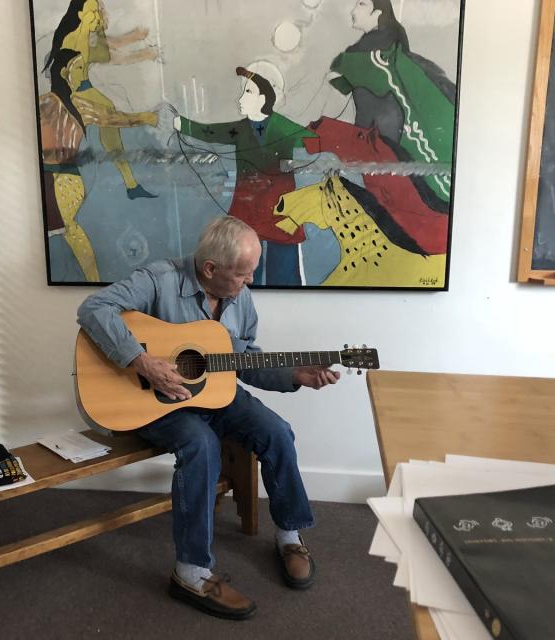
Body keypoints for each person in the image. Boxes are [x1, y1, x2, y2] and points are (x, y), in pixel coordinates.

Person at [76, 216, 340, 619]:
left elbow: (243, 363)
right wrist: (142, 361)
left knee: (276, 431)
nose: (250, 281)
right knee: (201, 444)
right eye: (242, 274)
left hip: (216, 395)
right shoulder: (159, 279)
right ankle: (191, 572)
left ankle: (288, 535)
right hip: (152, 402)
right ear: (210, 269)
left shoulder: (240, 298)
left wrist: (294, 375)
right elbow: (93, 308)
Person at [173, 66, 316, 287]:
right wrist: (182, 124)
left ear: (264, 97)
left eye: (248, 92)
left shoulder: (283, 128)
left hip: (281, 211)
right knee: (243, 279)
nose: (240, 98)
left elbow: (314, 140)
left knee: (286, 277)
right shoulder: (240, 129)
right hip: (247, 214)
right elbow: (211, 131)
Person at [39, 48, 157, 281]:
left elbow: (111, 118)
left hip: (64, 180)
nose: (82, 75)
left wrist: (145, 117)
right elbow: (112, 118)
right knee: (70, 232)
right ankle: (92, 279)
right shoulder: (49, 104)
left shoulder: (76, 105)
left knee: (70, 230)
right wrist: (145, 117)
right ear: (64, 72)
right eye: (78, 69)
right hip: (55, 180)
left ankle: (93, 279)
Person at [329, 0, 457, 203]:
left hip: (387, 132)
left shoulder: (368, 53)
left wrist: (343, 67)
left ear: (377, 13)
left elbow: (357, 77)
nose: (353, 10)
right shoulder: (373, 46)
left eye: (361, 4)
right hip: (382, 134)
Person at [44, 0, 160, 200]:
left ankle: (131, 185)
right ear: (80, 15)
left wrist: (136, 41)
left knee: (112, 136)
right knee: (110, 118)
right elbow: (112, 56)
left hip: (85, 88)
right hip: (74, 94)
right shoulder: (70, 42)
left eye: (98, 10)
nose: (98, 15)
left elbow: (108, 50)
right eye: (93, 11)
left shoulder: (88, 36)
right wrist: (147, 117)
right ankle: (129, 184)